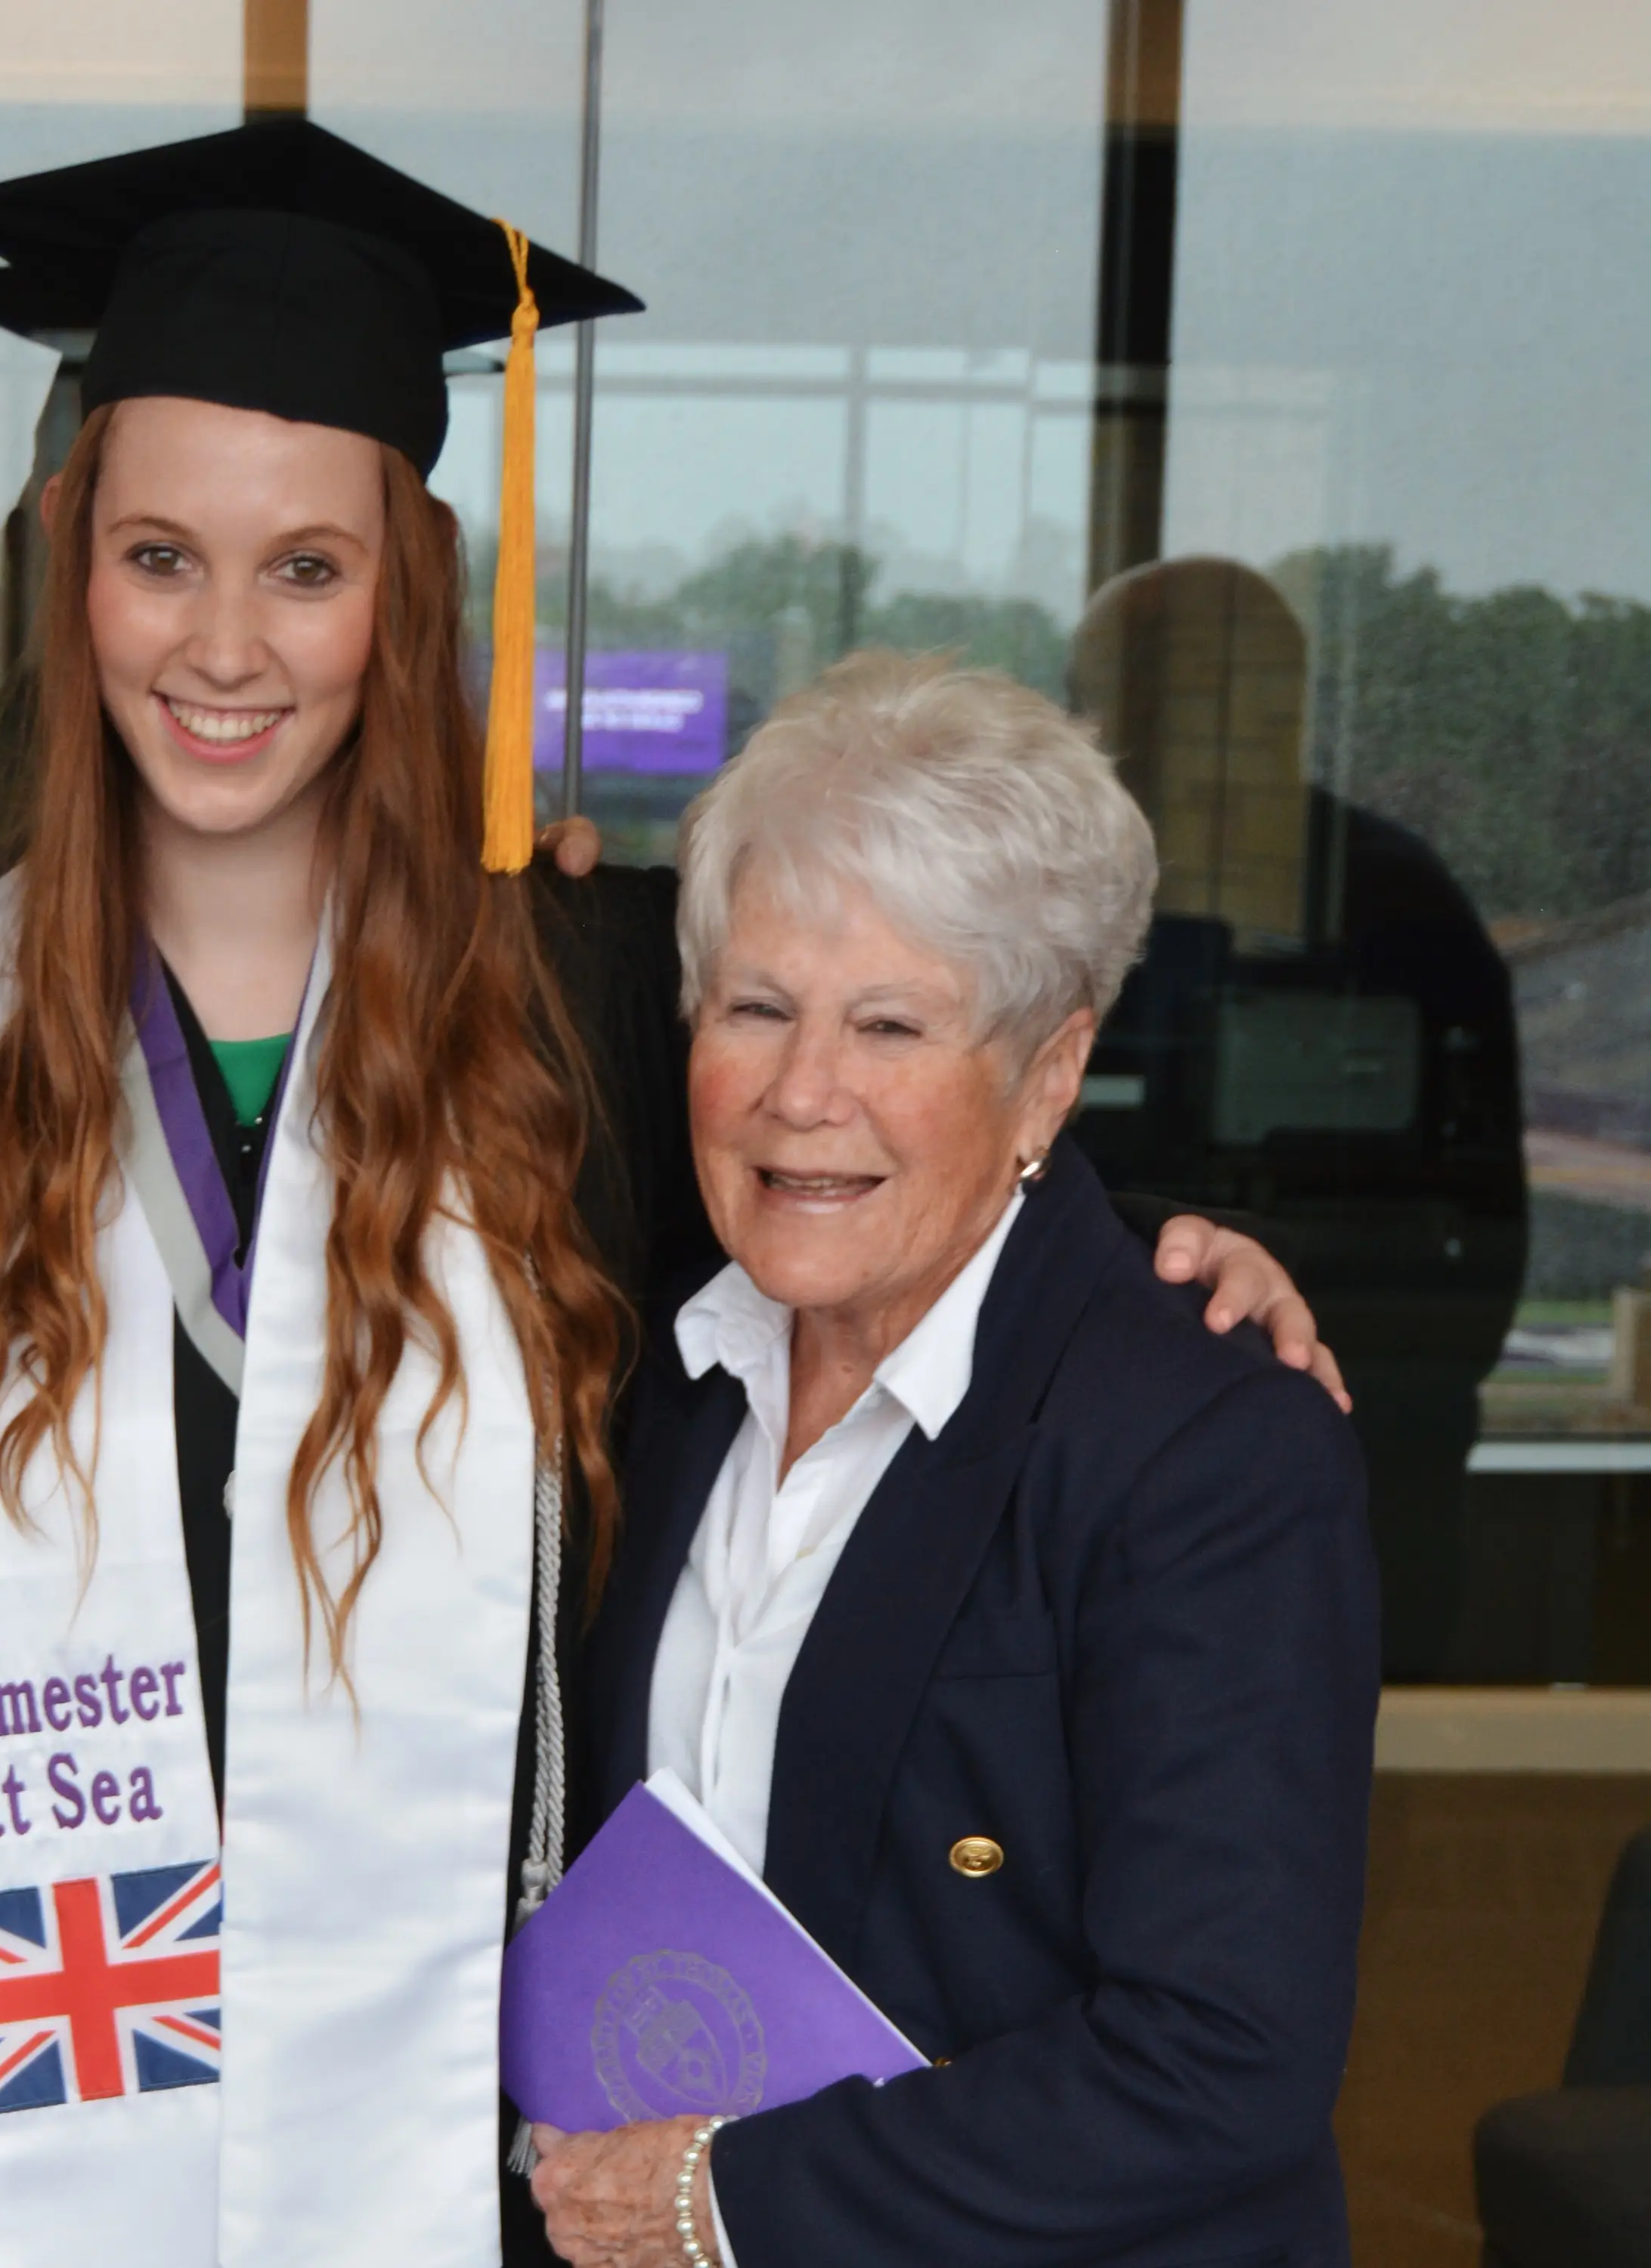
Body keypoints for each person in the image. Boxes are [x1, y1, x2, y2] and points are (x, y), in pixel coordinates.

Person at [0, 119, 1334, 2268]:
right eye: (159, 557)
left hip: (439, 2134)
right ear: (69, 556)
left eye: (308, 565)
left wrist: (1156, 1257)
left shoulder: (577, 1012)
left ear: (404, 591)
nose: (228, 644)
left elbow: (894, 1142)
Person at [543, 657, 1378, 2267]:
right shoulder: (657, 1364)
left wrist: (716, 2203)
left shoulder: (1206, 1444)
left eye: (889, 1025)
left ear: (1045, 1075)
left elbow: (1220, 2058)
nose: (802, 1094)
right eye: (757, 1007)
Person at [1068, 556, 1526, 1681]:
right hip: (1073, 1443)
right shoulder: (1046, 898)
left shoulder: (1397, 900)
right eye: (1174, 695)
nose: (1216, 729)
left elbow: (1482, 1215)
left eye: (1247, 692)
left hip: (1366, 1425)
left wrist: (1336, 1377)